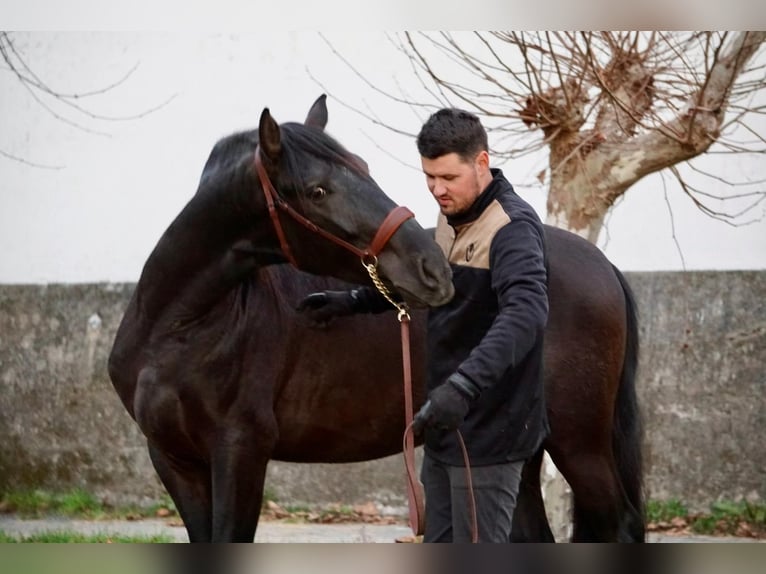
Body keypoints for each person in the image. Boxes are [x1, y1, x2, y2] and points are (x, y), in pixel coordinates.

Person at [297, 108, 549, 543]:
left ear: (482, 162)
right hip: (447, 425)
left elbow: (526, 313)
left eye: (448, 177)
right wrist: (354, 301)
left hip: (491, 431)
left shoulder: (511, 227)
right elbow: (433, 287)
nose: (437, 189)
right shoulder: (454, 220)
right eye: (430, 177)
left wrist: (463, 387)